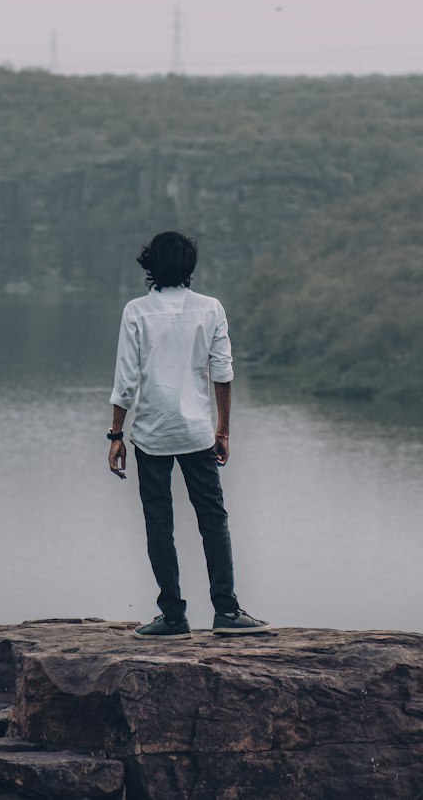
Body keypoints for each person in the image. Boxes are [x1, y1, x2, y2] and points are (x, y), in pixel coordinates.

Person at [108, 230, 269, 638]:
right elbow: (223, 373)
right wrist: (223, 430)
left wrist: (115, 435)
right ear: (190, 268)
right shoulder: (211, 309)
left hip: (151, 434)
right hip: (198, 432)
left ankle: (174, 616)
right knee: (213, 520)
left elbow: (126, 382)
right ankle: (227, 612)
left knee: (159, 523)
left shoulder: (136, 312)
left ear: (151, 266)